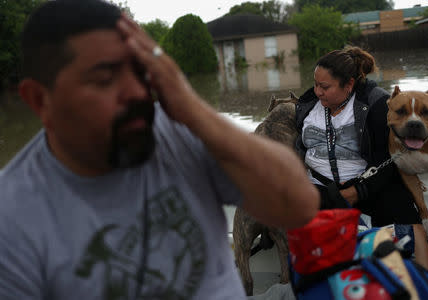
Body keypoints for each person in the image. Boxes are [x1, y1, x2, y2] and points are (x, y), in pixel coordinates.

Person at [0, 1, 319, 299]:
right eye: (105, 78)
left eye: (141, 72)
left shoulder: (179, 131)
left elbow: (299, 206)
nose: (137, 92)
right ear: (41, 100)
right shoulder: (12, 222)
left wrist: (192, 106)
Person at [294, 46, 428, 271]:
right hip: (320, 189)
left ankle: (425, 284)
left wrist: (357, 192)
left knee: (404, 214)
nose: (318, 91)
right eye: (315, 84)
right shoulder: (307, 104)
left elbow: (388, 157)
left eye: (325, 86)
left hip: (369, 184)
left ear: (349, 84)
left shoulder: (377, 103)